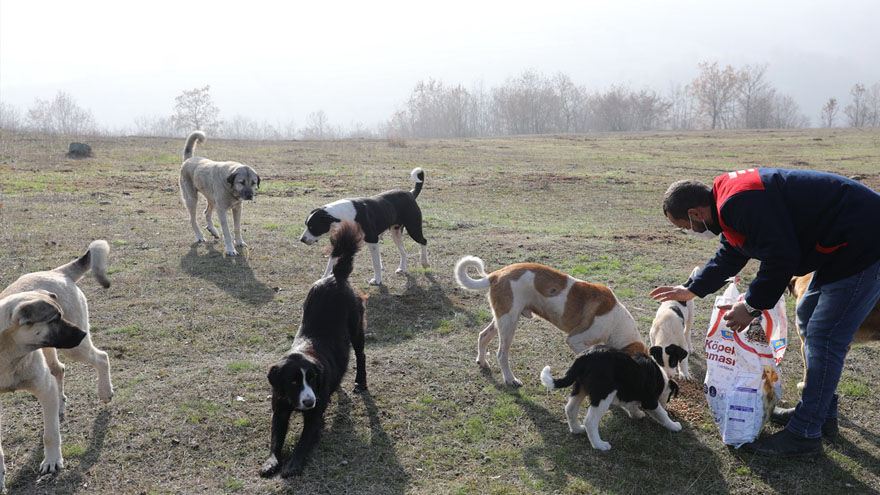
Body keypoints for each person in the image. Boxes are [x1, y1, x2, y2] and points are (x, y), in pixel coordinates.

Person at [650, 168, 880, 457]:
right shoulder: (727, 202)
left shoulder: (738, 203)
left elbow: (782, 257)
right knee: (808, 317)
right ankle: (822, 414)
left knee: (825, 337)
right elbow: (733, 252)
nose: (688, 232)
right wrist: (693, 289)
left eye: (684, 226)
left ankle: (805, 433)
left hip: (865, 242)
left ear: (696, 214)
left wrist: (750, 306)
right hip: (842, 242)